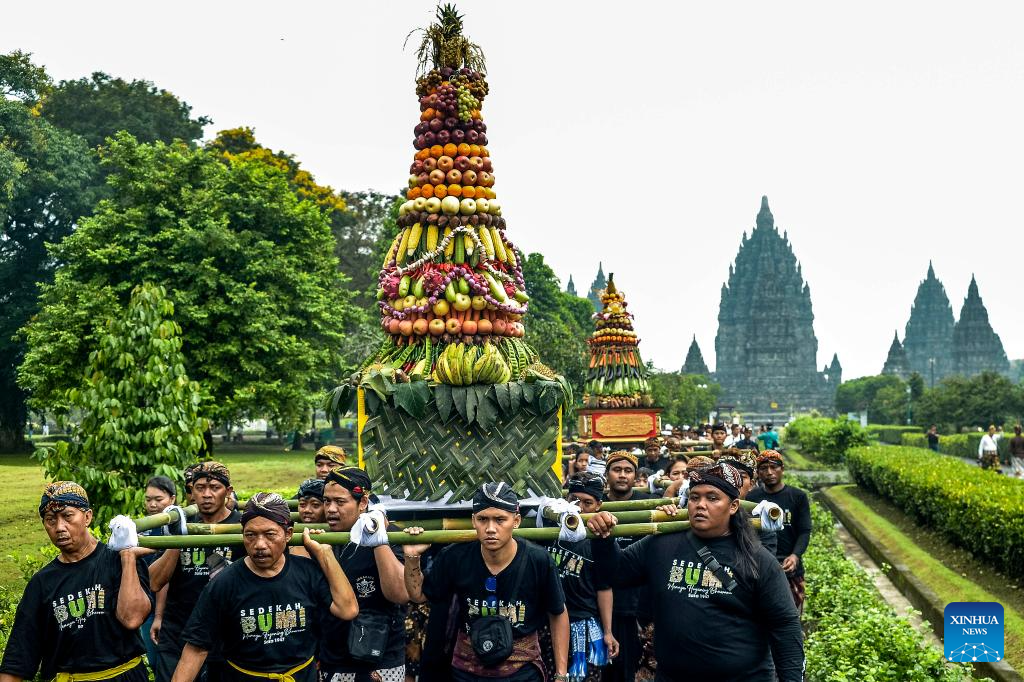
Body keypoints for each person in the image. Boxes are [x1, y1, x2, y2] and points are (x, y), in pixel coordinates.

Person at [586, 464, 805, 681]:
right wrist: (604, 538)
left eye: (712, 498)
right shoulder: (661, 544)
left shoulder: (757, 559)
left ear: (733, 506)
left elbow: (785, 625)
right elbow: (615, 574)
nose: (700, 505)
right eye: (694, 497)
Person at [170, 493, 359, 682]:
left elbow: (347, 609)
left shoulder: (307, 573)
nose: (259, 545)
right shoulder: (225, 583)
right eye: (250, 535)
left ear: (288, 534)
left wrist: (325, 554)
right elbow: (196, 649)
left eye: (270, 535)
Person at [403, 483, 569, 682]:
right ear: (474, 521)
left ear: (516, 521)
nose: (490, 528)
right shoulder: (455, 556)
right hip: (467, 670)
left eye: (500, 520)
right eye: (483, 519)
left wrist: (561, 675)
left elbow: (558, 613)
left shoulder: (538, 560)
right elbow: (418, 595)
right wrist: (411, 557)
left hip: (522, 670)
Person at [0, 482, 153, 682]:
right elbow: (18, 655)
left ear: (87, 517)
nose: (59, 527)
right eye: (50, 520)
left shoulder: (119, 560)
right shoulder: (42, 584)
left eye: (68, 516)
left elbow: (132, 618)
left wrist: (128, 558)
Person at [148, 462, 245, 682]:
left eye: (215, 488)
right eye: (200, 488)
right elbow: (154, 582)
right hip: (178, 631)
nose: (207, 494)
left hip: (225, 634)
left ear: (228, 491)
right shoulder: (181, 524)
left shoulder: (242, 527)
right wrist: (178, 539)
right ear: (192, 490)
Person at [319, 467, 409, 682]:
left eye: (340, 502)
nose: (331, 509)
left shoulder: (390, 534)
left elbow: (400, 594)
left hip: (382, 657)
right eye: (326, 501)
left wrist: (378, 539)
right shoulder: (322, 538)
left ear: (363, 502)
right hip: (333, 655)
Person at [541, 473, 617, 682]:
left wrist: (608, 631)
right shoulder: (549, 529)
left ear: (599, 505)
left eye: (587, 502)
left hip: (583, 623)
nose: (580, 508)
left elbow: (604, 588)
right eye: (574, 500)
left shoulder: (600, 540)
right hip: (548, 622)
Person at [599, 452, 652, 682]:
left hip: (638, 604)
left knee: (634, 669)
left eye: (628, 470)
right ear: (606, 474)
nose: (622, 475)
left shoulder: (649, 503)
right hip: (601, 601)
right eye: (617, 469)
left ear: (635, 476)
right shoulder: (595, 504)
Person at [746, 450, 811, 612]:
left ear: (782, 469)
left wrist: (795, 555)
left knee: (791, 614)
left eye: (774, 467)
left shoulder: (797, 496)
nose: (769, 472)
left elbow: (804, 531)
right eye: (764, 468)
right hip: (761, 566)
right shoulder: (751, 499)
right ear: (758, 473)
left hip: (789, 567)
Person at [141, 476, 177, 671]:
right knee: (154, 661)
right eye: (148, 499)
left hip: (170, 606)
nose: (152, 504)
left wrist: (159, 615)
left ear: (172, 499)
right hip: (148, 605)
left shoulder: (176, 527)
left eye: (158, 499)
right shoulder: (143, 528)